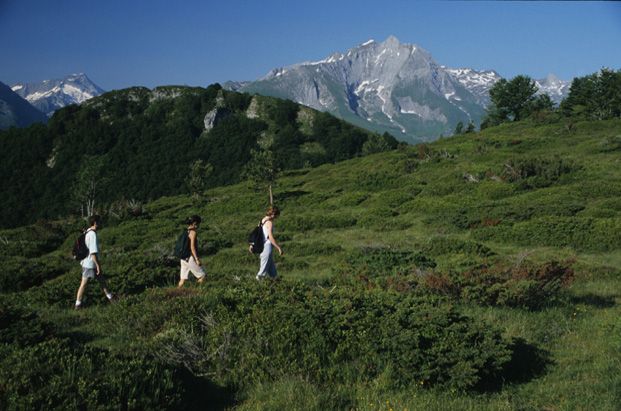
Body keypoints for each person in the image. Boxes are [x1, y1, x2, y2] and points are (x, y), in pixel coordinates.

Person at [75, 215, 115, 309]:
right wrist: (98, 266)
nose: (101, 223)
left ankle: (111, 298)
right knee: (84, 284)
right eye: (99, 222)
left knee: (102, 281)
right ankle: (78, 304)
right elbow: (93, 253)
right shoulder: (92, 234)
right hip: (90, 264)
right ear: (96, 223)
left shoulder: (88, 232)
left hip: (87, 262)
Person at [178, 215, 206, 288]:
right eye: (198, 223)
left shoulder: (185, 231)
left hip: (183, 258)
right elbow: (192, 247)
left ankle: (175, 293)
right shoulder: (193, 232)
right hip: (190, 258)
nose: (199, 225)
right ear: (194, 223)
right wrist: (196, 259)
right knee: (202, 276)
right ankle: (196, 290)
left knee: (182, 279)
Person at [255, 205, 283, 280]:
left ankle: (277, 286)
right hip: (267, 247)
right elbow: (270, 237)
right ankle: (256, 286)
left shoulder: (261, 221)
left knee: (273, 274)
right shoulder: (269, 223)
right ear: (273, 214)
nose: (276, 218)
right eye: (276, 216)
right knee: (262, 273)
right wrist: (278, 248)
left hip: (262, 247)